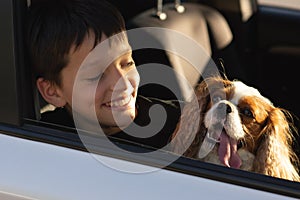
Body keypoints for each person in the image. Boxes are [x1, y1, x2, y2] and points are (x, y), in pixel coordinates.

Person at [26, 0, 182, 149]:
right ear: (52, 91)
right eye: (97, 75)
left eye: (127, 63)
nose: (124, 84)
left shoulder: (179, 126)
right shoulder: (41, 143)